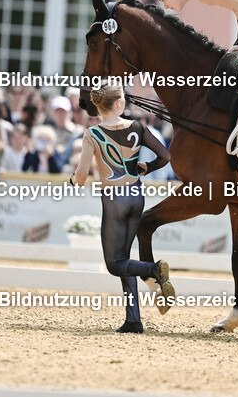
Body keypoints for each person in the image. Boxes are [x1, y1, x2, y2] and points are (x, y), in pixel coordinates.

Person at [72, 84, 176, 332]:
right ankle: (133, 320)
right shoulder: (138, 127)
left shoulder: (92, 134)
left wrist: (71, 180)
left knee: (113, 264)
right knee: (125, 259)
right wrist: (146, 169)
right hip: (136, 195)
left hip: (114, 198)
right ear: (120, 104)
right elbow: (165, 157)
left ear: (98, 106)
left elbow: (81, 176)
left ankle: (153, 269)